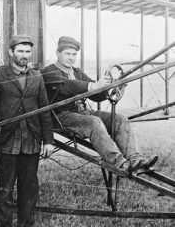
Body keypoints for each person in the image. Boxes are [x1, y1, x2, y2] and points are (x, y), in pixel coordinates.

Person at [41, 35, 158, 173]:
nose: (71, 57)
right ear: (58, 53)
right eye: (67, 54)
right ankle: (120, 164)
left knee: (120, 119)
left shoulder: (77, 72)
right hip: (61, 117)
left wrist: (113, 88)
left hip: (82, 114)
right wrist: (93, 85)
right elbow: (68, 86)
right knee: (94, 122)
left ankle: (135, 159)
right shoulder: (49, 72)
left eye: (74, 54)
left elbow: (96, 95)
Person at [0, 35, 55, 227]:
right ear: (11, 52)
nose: (24, 56)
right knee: (5, 188)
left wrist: (48, 140)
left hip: (31, 139)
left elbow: (44, 111)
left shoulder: (37, 77)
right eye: (20, 51)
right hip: (6, 140)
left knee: (29, 186)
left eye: (27, 52)